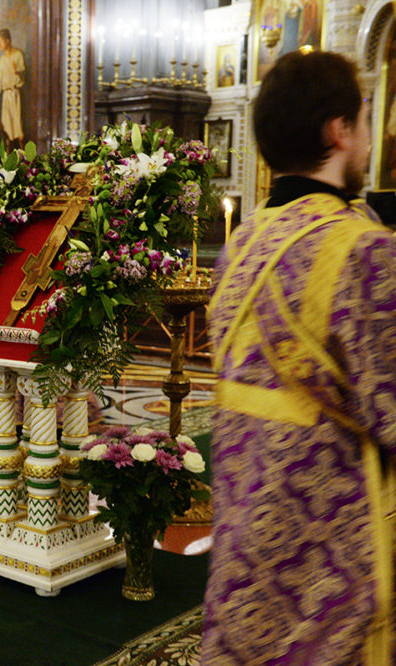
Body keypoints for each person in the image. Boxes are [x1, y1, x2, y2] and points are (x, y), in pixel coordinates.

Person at [202, 51, 396, 663]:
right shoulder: (365, 250)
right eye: (365, 121)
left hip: (245, 529)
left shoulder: (242, 244)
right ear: (339, 130)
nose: (369, 138)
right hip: (331, 558)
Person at [0, 29, 26, 150]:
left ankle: (23, 155)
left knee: (18, 124)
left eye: (1, 41)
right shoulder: (3, 59)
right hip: (6, 95)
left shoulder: (17, 54)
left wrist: (17, 73)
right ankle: (7, 154)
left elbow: (22, 74)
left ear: (7, 40)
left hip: (15, 94)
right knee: (7, 124)